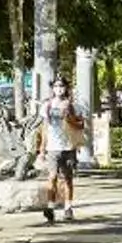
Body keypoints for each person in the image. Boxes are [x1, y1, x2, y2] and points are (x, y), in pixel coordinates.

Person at [39, 81, 85, 222]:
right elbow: (45, 128)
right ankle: (51, 207)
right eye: (56, 86)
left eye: (62, 86)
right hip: (52, 147)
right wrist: (42, 148)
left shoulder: (74, 106)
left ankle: (68, 208)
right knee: (52, 177)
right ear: (53, 89)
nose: (59, 89)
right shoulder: (46, 106)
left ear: (66, 89)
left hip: (68, 146)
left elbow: (81, 125)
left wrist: (69, 118)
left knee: (67, 178)